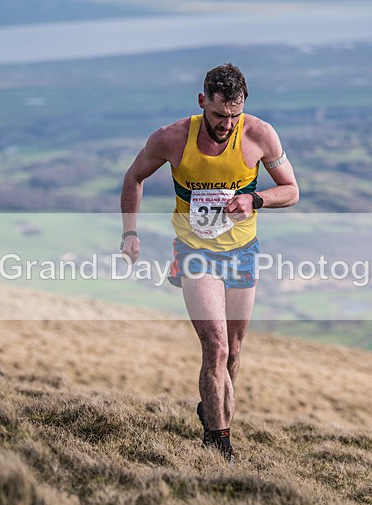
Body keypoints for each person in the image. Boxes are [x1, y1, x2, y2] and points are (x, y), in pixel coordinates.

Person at [120, 63, 299, 462]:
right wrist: (130, 233)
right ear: (202, 103)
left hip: (243, 252)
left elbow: (291, 190)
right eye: (219, 116)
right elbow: (134, 177)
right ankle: (218, 442)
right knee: (215, 348)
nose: (226, 124)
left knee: (234, 350)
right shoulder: (171, 138)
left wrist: (255, 199)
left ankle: (211, 409)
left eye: (234, 116)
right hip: (195, 253)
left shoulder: (259, 135)